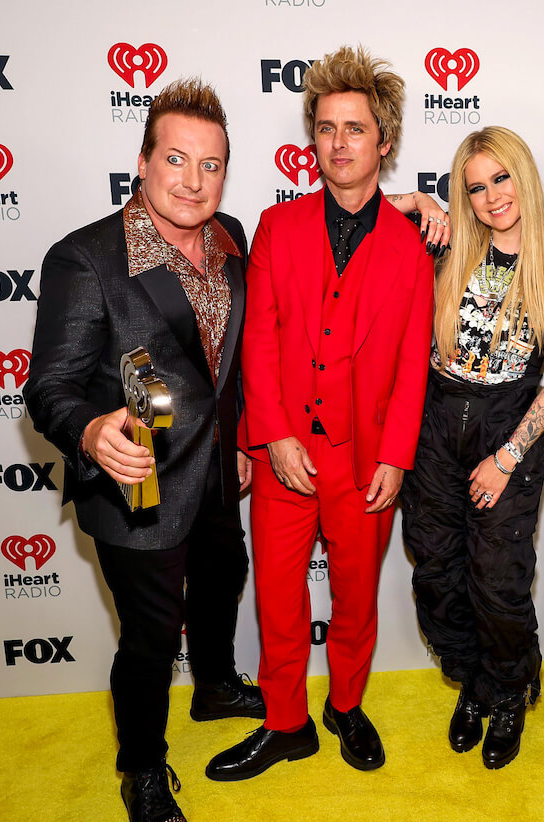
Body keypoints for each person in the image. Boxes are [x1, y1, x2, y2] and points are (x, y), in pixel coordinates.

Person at [24, 78, 264, 822]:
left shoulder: (231, 236)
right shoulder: (86, 258)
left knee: (224, 579)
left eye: (211, 165)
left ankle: (215, 685)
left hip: (218, 468)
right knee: (152, 637)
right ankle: (142, 768)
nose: (193, 181)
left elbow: (227, 361)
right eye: (176, 160)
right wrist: (90, 431)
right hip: (138, 484)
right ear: (143, 162)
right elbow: (50, 386)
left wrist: (240, 436)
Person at [205, 46, 434, 781]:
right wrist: (272, 435)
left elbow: (413, 363)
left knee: (356, 598)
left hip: (366, 459)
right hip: (285, 453)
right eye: (327, 127)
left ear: (383, 142)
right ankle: (285, 723)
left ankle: (346, 705)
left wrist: (397, 455)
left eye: (355, 128)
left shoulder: (411, 249)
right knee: (277, 597)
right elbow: (258, 340)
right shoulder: (277, 226)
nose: (339, 142)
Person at [399, 127, 544, 769]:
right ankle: (473, 682)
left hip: (507, 427)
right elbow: (359, 215)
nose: (492, 196)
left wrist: (507, 458)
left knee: (497, 581)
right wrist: (417, 201)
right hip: (434, 425)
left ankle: (509, 692)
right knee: (436, 571)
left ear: (523, 175)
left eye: (501, 178)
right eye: (476, 187)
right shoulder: (449, 245)